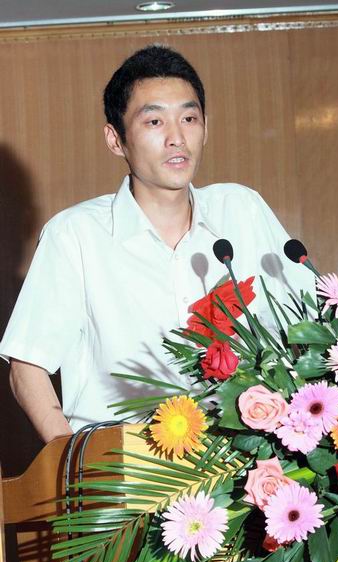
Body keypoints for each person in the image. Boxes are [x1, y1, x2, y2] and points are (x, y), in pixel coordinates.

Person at [0, 45, 314, 443]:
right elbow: (27, 367)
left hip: (240, 464)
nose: (177, 138)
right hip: (123, 465)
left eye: (189, 118)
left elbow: (310, 323)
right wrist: (71, 460)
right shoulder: (75, 235)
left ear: (205, 127)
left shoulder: (242, 210)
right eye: (154, 121)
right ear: (116, 140)